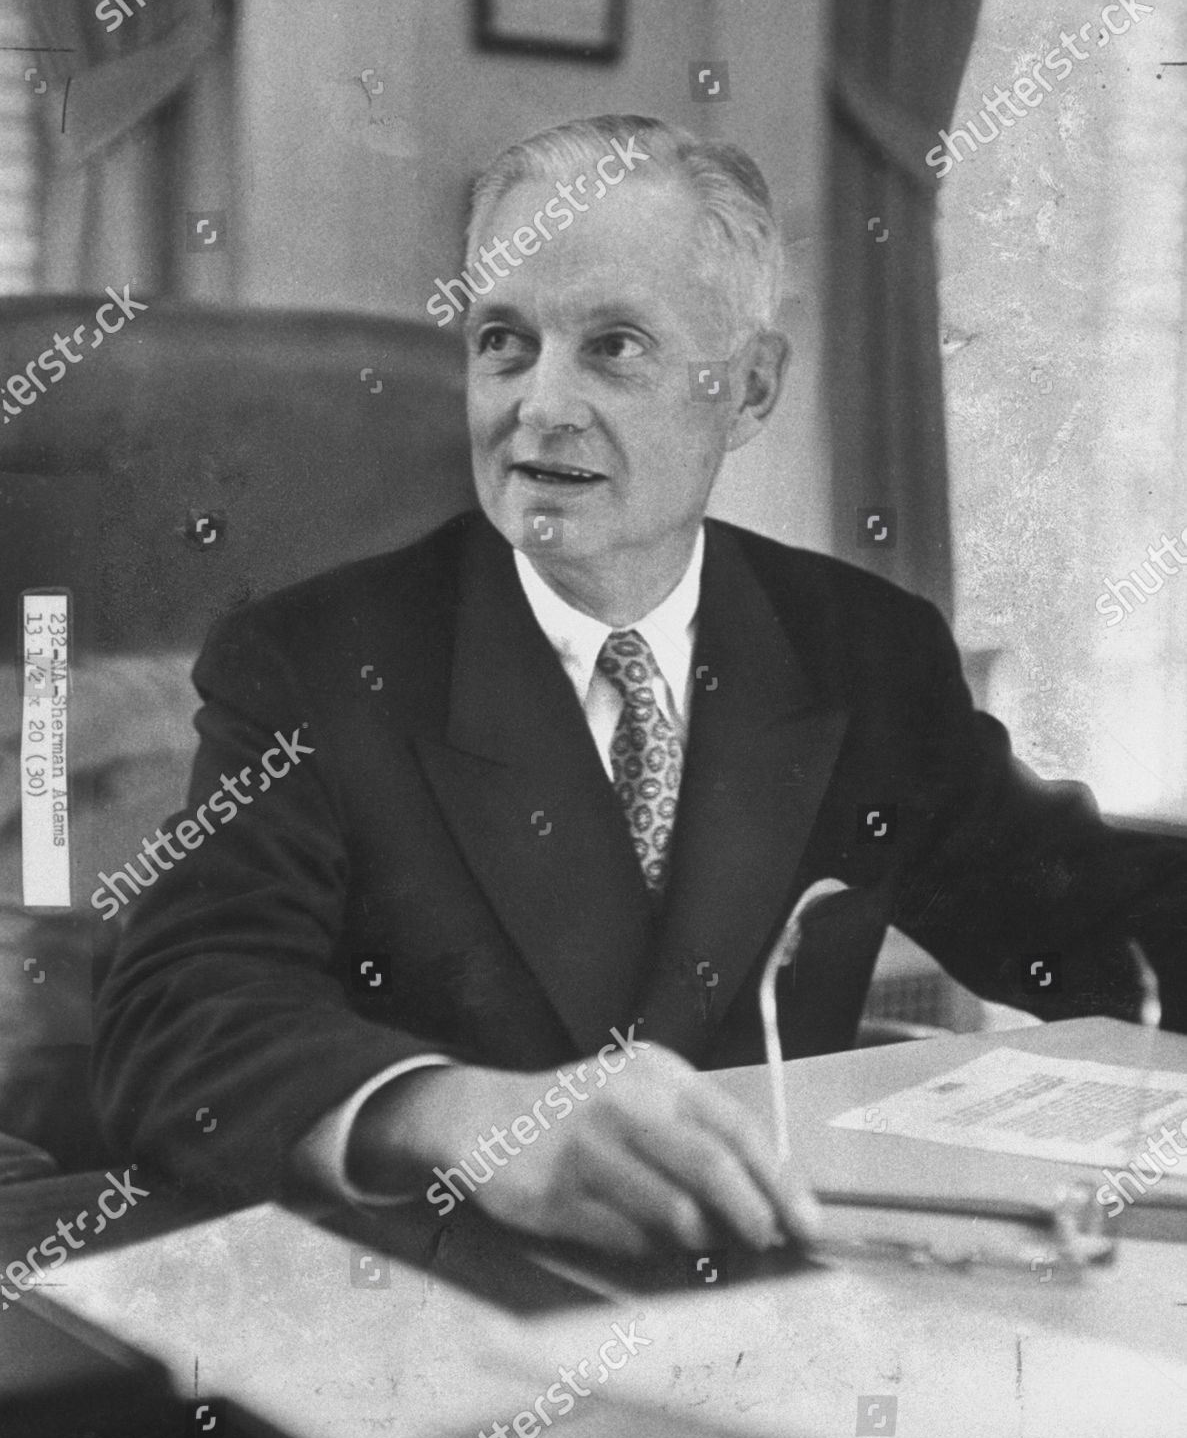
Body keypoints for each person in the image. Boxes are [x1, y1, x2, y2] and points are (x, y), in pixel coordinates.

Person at [91, 114, 1187, 1261]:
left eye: (612, 346)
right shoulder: (315, 662)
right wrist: (464, 1117)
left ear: (750, 388)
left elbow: (1078, 905)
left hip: (787, 1303)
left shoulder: (860, 652)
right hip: (445, 1306)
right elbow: (179, 1014)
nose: (539, 405)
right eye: (504, 343)